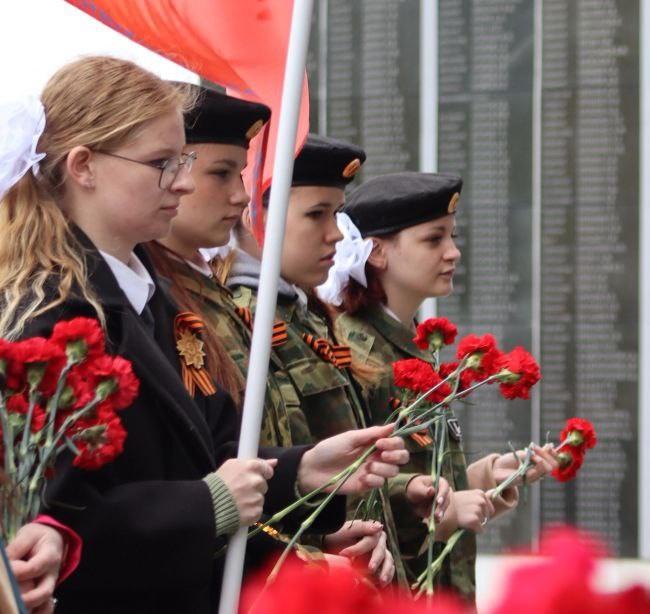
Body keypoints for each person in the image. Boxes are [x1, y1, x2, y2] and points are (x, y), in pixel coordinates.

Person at [0, 57, 409, 614]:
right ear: (84, 166)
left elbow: (206, 456)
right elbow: (51, 522)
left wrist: (303, 470)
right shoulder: (50, 315)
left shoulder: (151, 295)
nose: (184, 182)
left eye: (186, 162)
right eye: (162, 164)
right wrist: (207, 504)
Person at [143, 86, 398, 585]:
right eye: (220, 173)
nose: (238, 197)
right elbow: (191, 485)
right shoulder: (174, 303)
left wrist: (317, 541)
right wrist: (306, 560)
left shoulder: (203, 298)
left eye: (240, 175)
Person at [223, 137, 446, 579]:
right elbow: (257, 478)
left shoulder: (305, 318)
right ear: (256, 218)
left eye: (337, 215)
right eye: (316, 214)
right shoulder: (245, 319)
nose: (336, 234)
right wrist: (317, 551)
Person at [334, 171, 556, 598]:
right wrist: (444, 512)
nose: (453, 252)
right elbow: (349, 497)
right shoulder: (355, 352)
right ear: (376, 252)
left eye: (451, 236)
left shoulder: (406, 345)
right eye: (434, 239)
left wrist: (486, 477)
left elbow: (418, 476)